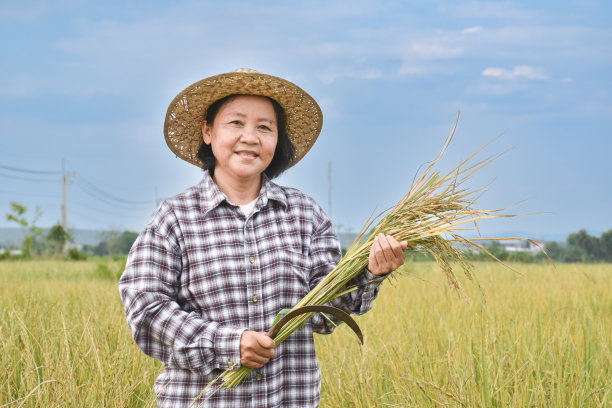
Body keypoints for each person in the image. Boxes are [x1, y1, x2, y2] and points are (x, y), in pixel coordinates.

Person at [119, 68, 408, 408]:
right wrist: (228, 344)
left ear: (277, 140)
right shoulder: (174, 218)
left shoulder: (305, 214)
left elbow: (323, 313)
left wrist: (370, 273)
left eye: (265, 127)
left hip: (287, 398)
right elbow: (146, 309)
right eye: (236, 123)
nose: (250, 137)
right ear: (208, 132)